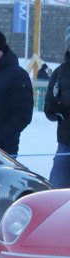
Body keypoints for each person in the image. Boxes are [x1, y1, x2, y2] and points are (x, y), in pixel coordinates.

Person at [45, 58, 70, 188]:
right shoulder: (60, 72)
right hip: (66, 143)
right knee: (56, 189)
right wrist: (54, 110)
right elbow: (48, 105)